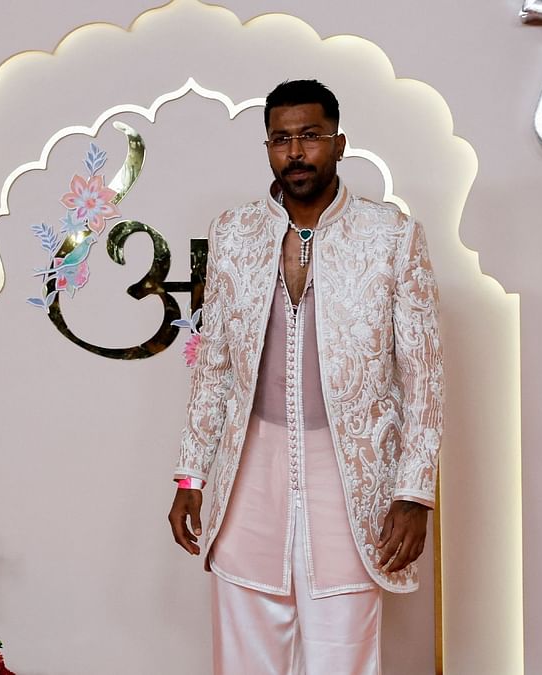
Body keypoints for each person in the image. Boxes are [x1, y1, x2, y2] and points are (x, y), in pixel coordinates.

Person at [168, 79, 444, 675]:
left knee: (344, 657)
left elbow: (424, 379)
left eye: (311, 136)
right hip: (250, 478)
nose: (296, 152)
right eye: (281, 139)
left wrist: (414, 493)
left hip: (354, 482)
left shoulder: (391, 237)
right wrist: (191, 475)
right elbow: (213, 365)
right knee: (243, 657)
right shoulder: (233, 234)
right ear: (268, 148)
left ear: (339, 143)